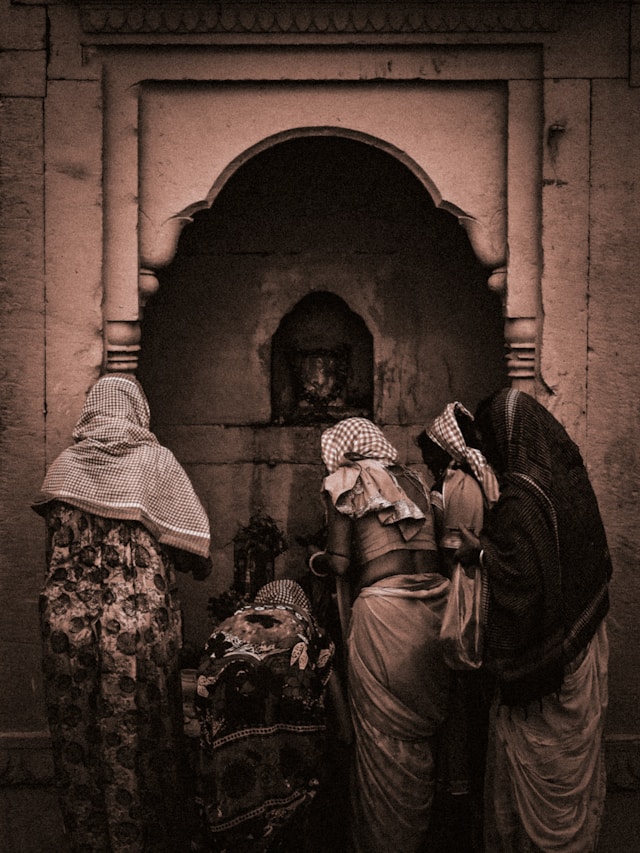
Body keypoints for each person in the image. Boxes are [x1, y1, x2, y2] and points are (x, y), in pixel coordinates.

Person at [33, 373, 212, 853]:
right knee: (143, 734)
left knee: (79, 734)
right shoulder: (155, 462)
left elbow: (52, 551)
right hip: (135, 628)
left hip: (65, 629)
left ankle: (92, 841)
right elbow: (196, 549)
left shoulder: (65, 467)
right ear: (137, 410)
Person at [456, 387, 612, 852]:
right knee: (571, 776)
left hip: (549, 671)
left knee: (533, 793)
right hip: (582, 645)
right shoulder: (567, 480)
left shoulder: (524, 496)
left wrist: (480, 550)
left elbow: (524, 581)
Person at [312, 417, 451, 853]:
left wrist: (316, 559)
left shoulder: (344, 481)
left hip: (385, 614)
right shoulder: (416, 479)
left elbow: (338, 563)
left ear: (343, 449)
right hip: (435, 609)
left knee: (379, 738)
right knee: (419, 736)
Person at [193, 578, 342, 852]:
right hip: (283, 738)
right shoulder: (309, 626)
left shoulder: (228, 624)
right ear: (301, 604)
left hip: (224, 728)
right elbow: (325, 689)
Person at [416, 402, 499, 851]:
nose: (427, 461)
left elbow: (454, 551)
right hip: (470, 594)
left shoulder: (458, 482)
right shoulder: (468, 477)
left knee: (461, 706)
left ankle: (459, 809)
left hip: (463, 598)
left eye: (430, 452)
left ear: (445, 449)